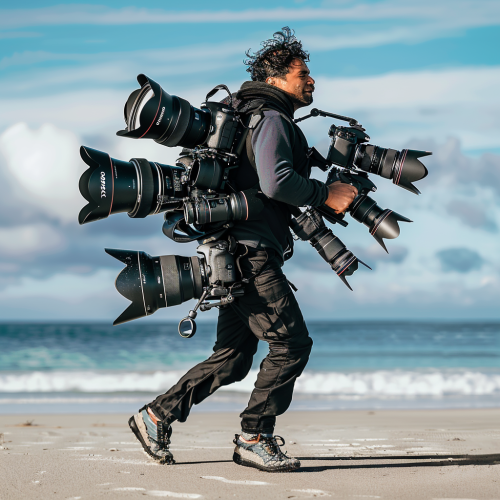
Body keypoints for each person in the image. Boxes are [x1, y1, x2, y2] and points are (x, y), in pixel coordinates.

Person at [129, 27, 358, 472]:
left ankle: (156, 415)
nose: (312, 81)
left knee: (233, 358)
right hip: (249, 256)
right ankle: (255, 436)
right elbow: (276, 183)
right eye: (303, 73)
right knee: (291, 344)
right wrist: (323, 193)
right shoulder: (271, 120)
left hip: (232, 254)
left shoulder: (248, 116)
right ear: (275, 78)